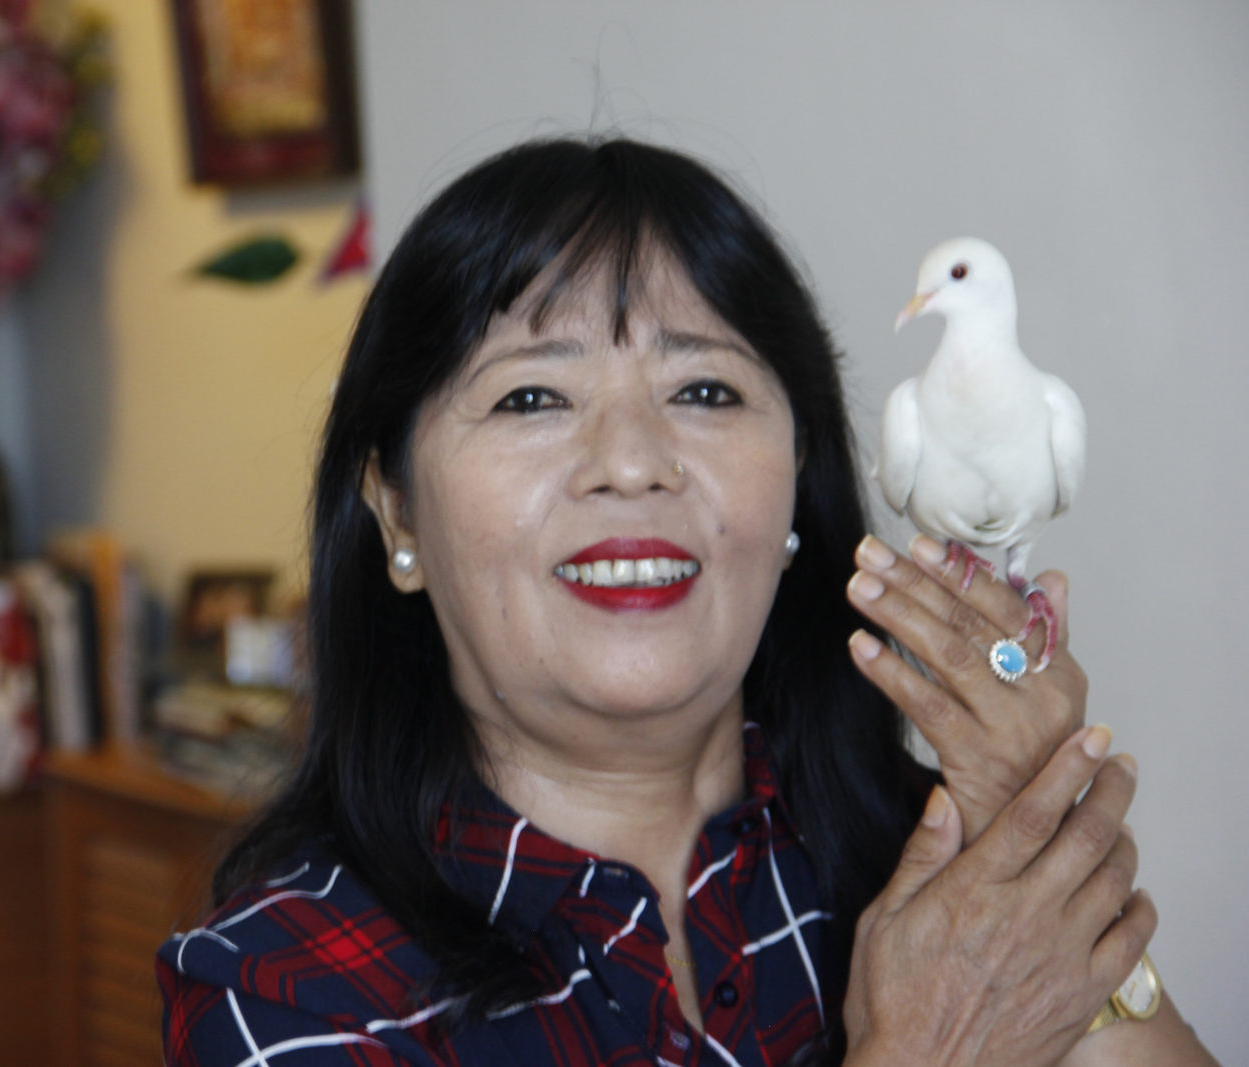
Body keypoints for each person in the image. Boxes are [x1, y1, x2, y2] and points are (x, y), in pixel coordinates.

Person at [156, 138, 1218, 1066]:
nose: (632, 461)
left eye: (703, 390)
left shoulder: (926, 855)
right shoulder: (280, 985)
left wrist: (1027, 828)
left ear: (797, 482)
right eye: (533, 394)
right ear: (396, 515)